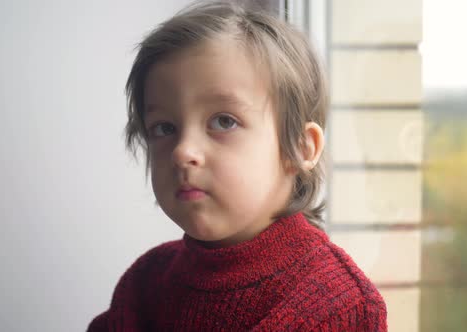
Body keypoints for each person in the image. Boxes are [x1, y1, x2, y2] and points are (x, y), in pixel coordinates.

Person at [88, 1, 387, 331]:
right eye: (164, 128)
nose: (183, 151)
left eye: (223, 121)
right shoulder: (144, 283)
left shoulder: (338, 305)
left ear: (302, 148)